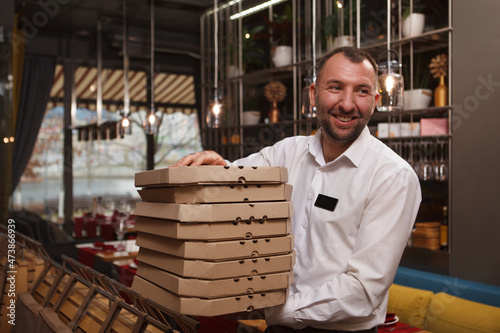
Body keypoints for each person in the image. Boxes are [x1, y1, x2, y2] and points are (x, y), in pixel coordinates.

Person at [173, 47, 421, 333]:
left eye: (362, 91)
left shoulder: (393, 176)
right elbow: (237, 177)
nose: (347, 103)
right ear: (314, 94)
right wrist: (215, 168)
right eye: (336, 87)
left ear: (375, 101)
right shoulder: (287, 152)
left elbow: (364, 290)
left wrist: (274, 310)